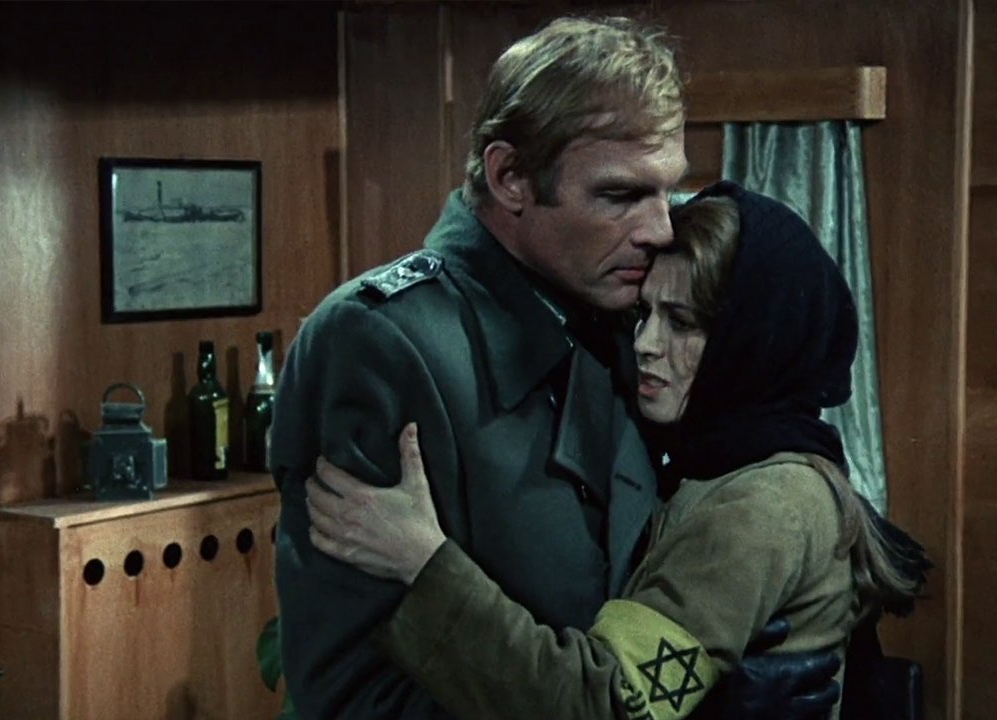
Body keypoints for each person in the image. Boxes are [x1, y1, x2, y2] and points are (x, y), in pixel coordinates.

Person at [270, 16, 840, 720]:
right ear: (510, 177)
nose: (661, 228)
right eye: (620, 196)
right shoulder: (381, 343)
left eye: (667, 191)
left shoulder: (623, 309)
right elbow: (350, 689)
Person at [306, 182, 930, 720]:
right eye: (645, 314)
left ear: (752, 343)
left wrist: (425, 564)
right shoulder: (721, 463)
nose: (648, 344)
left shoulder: (763, 502)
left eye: (682, 323)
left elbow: (605, 703)